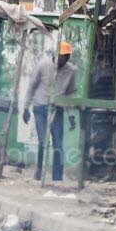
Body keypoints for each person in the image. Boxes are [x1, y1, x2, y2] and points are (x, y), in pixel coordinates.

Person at [21, 40, 76, 183]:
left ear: (68, 58)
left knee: (58, 143)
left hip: (57, 109)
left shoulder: (70, 70)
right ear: (55, 55)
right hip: (40, 107)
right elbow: (32, 86)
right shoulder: (43, 65)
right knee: (43, 141)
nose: (62, 59)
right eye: (60, 56)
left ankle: (57, 177)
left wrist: (71, 116)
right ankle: (40, 169)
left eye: (65, 57)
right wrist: (26, 108)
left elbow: (70, 94)